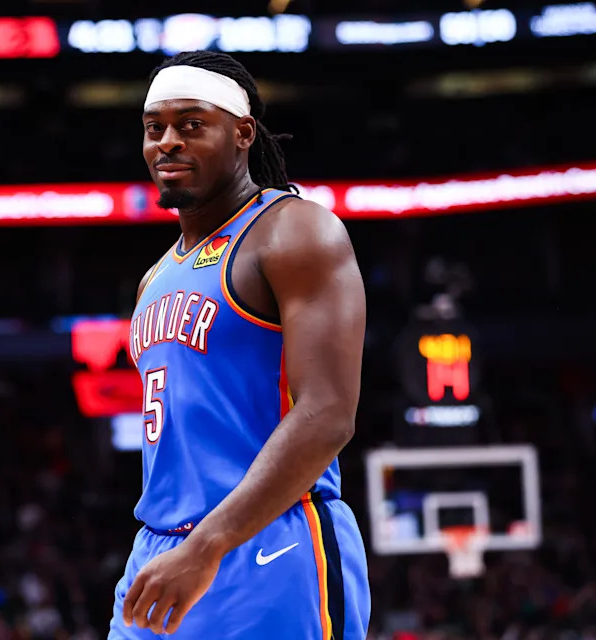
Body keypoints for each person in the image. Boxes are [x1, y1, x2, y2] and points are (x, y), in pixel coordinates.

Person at [109, 51, 370, 639]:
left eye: (192, 124)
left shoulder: (294, 231)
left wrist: (208, 545)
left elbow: (328, 414)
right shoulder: (155, 277)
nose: (168, 143)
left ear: (242, 133)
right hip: (161, 547)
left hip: (269, 543)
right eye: (155, 129)